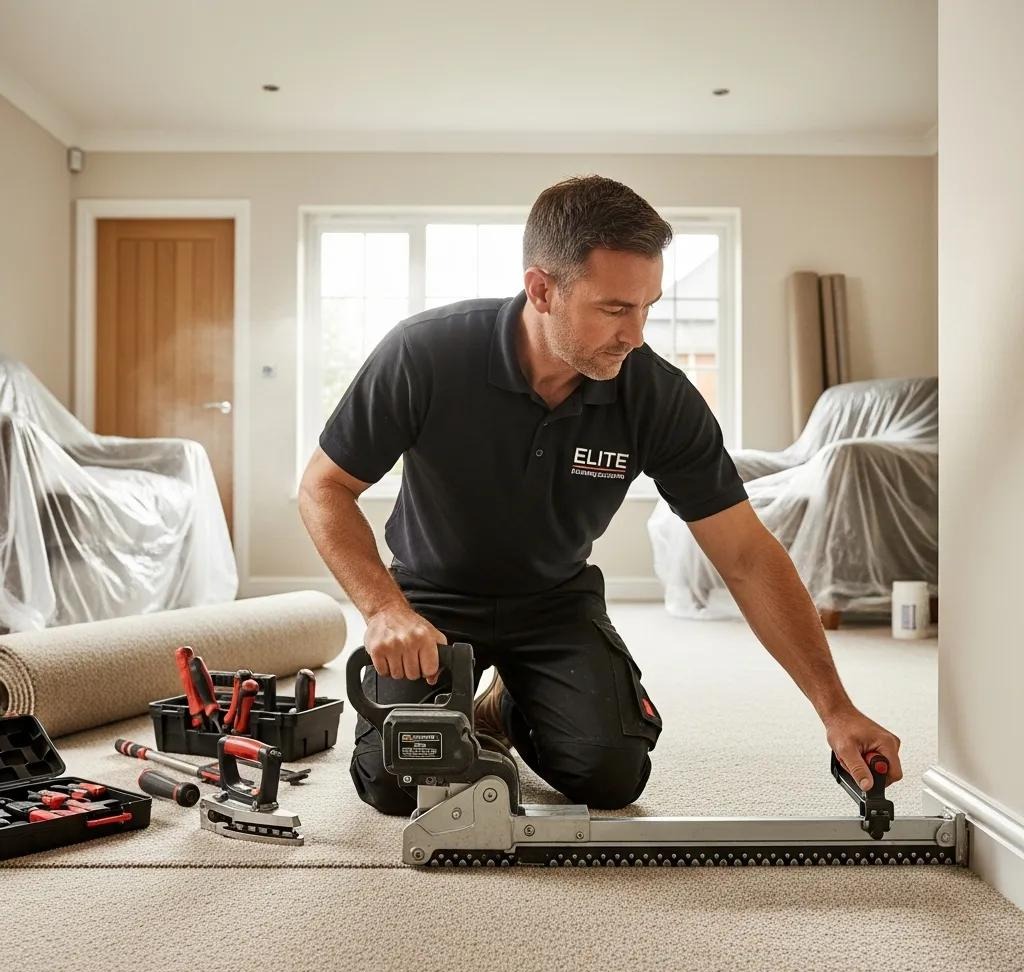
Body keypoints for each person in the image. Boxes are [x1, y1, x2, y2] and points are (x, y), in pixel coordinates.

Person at [299, 175, 903, 816]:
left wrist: (836, 709)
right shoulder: (425, 353)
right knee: (397, 779)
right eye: (615, 309)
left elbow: (747, 556)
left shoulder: (658, 398)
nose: (636, 333)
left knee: (610, 777)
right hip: (430, 599)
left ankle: (502, 704)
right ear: (541, 289)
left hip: (555, 602)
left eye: (648, 307)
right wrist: (383, 609)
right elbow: (324, 487)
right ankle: (470, 696)